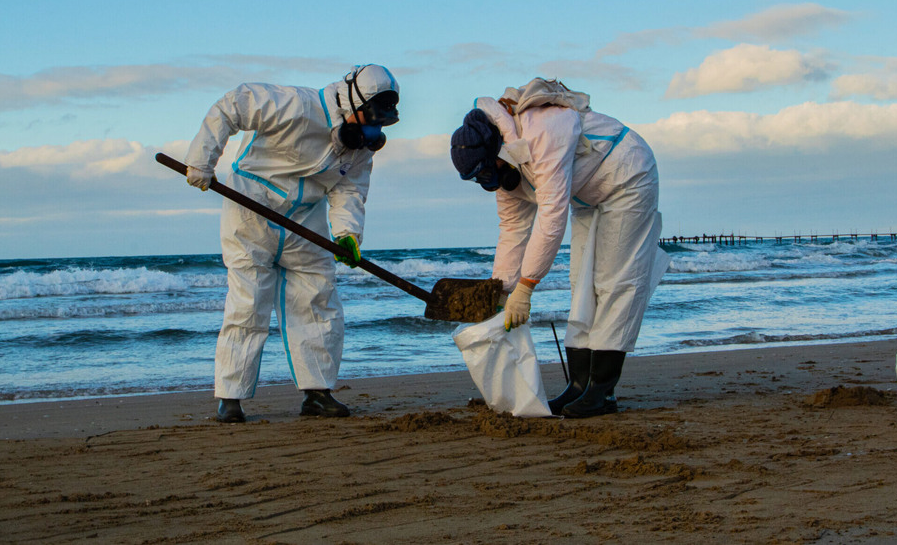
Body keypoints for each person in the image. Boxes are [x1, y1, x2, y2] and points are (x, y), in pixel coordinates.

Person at [184, 64, 401, 422]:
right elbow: (231, 105)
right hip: (251, 206)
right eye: (369, 118)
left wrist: (347, 233)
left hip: (305, 217)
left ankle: (318, 394)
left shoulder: (361, 146)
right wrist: (202, 160)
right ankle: (231, 398)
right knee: (249, 300)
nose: (371, 129)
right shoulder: (295, 105)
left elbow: (349, 188)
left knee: (318, 297)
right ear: (350, 102)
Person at [450, 78, 668, 418]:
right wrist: (503, 290)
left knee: (614, 281)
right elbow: (513, 230)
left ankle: (602, 391)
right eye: (480, 178)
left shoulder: (542, 134)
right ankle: (579, 385)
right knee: (581, 283)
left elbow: (552, 215)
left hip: (627, 177)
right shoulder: (507, 163)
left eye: (488, 172)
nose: (489, 182)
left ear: (498, 150)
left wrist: (527, 286)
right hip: (587, 193)